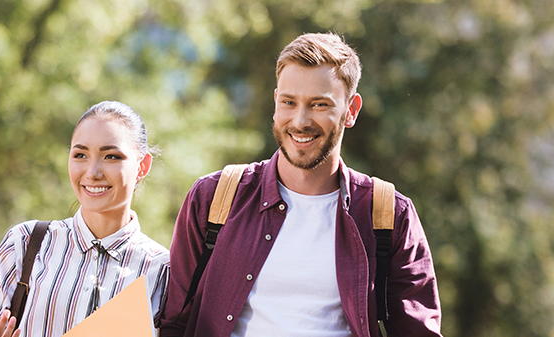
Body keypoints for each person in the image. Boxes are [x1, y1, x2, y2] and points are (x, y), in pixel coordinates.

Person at [159, 33, 442, 337]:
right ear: (276, 102)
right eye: (289, 102)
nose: (300, 121)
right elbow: (173, 322)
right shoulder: (214, 198)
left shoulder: (389, 215)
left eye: (319, 104)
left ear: (351, 110)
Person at [0, 101, 170, 337]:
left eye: (111, 156)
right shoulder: (25, 243)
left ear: (143, 166)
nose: (92, 172)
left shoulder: (163, 269)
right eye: (80, 154)